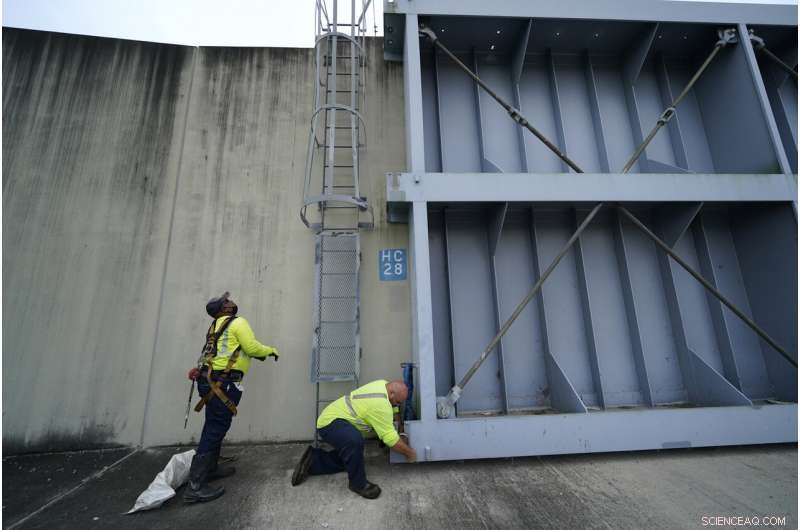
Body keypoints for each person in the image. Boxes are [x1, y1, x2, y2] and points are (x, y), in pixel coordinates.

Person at [184, 291, 279, 504]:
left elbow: (212, 353)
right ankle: (196, 486)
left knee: (213, 425)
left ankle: (211, 469)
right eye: (226, 300)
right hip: (222, 383)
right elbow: (252, 348)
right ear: (224, 307)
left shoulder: (215, 326)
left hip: (210, 380)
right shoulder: (237, 323)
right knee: (215, 428)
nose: (231, 301)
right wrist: (271, 350)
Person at [291, 380, 417, 499]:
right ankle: (358, 484)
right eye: (399, 402)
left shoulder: (383, 384)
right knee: (354, 441)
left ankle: (313, 461)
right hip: (329, 423)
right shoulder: (380, 404)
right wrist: (410, 453)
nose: (399, 405)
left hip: (335, 416)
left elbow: (393, 407)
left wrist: (398, 423)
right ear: (391, 394)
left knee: (353, 458)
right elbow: (391, 440)